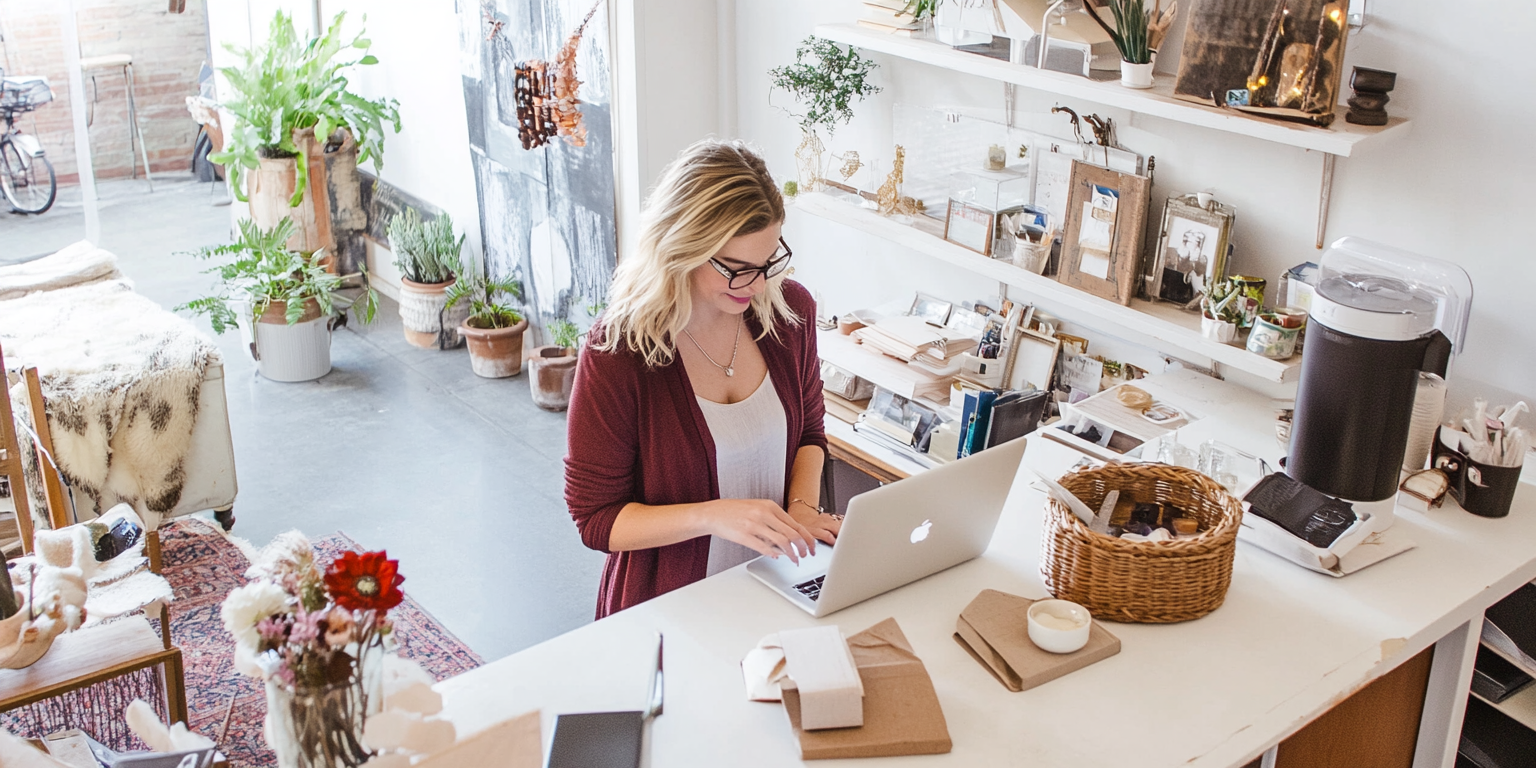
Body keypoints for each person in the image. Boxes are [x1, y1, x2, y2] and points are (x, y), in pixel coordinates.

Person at [564, 139, 838, 619]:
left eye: (767, 262)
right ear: (682, 245)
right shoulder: (618, 353)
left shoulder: (790, 313)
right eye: (735, 269)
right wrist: (714, 515)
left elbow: (811, 435)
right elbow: (596, 520)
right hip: (671, 607)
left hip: (780, 588)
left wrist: (802, 509)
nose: (755, 286)